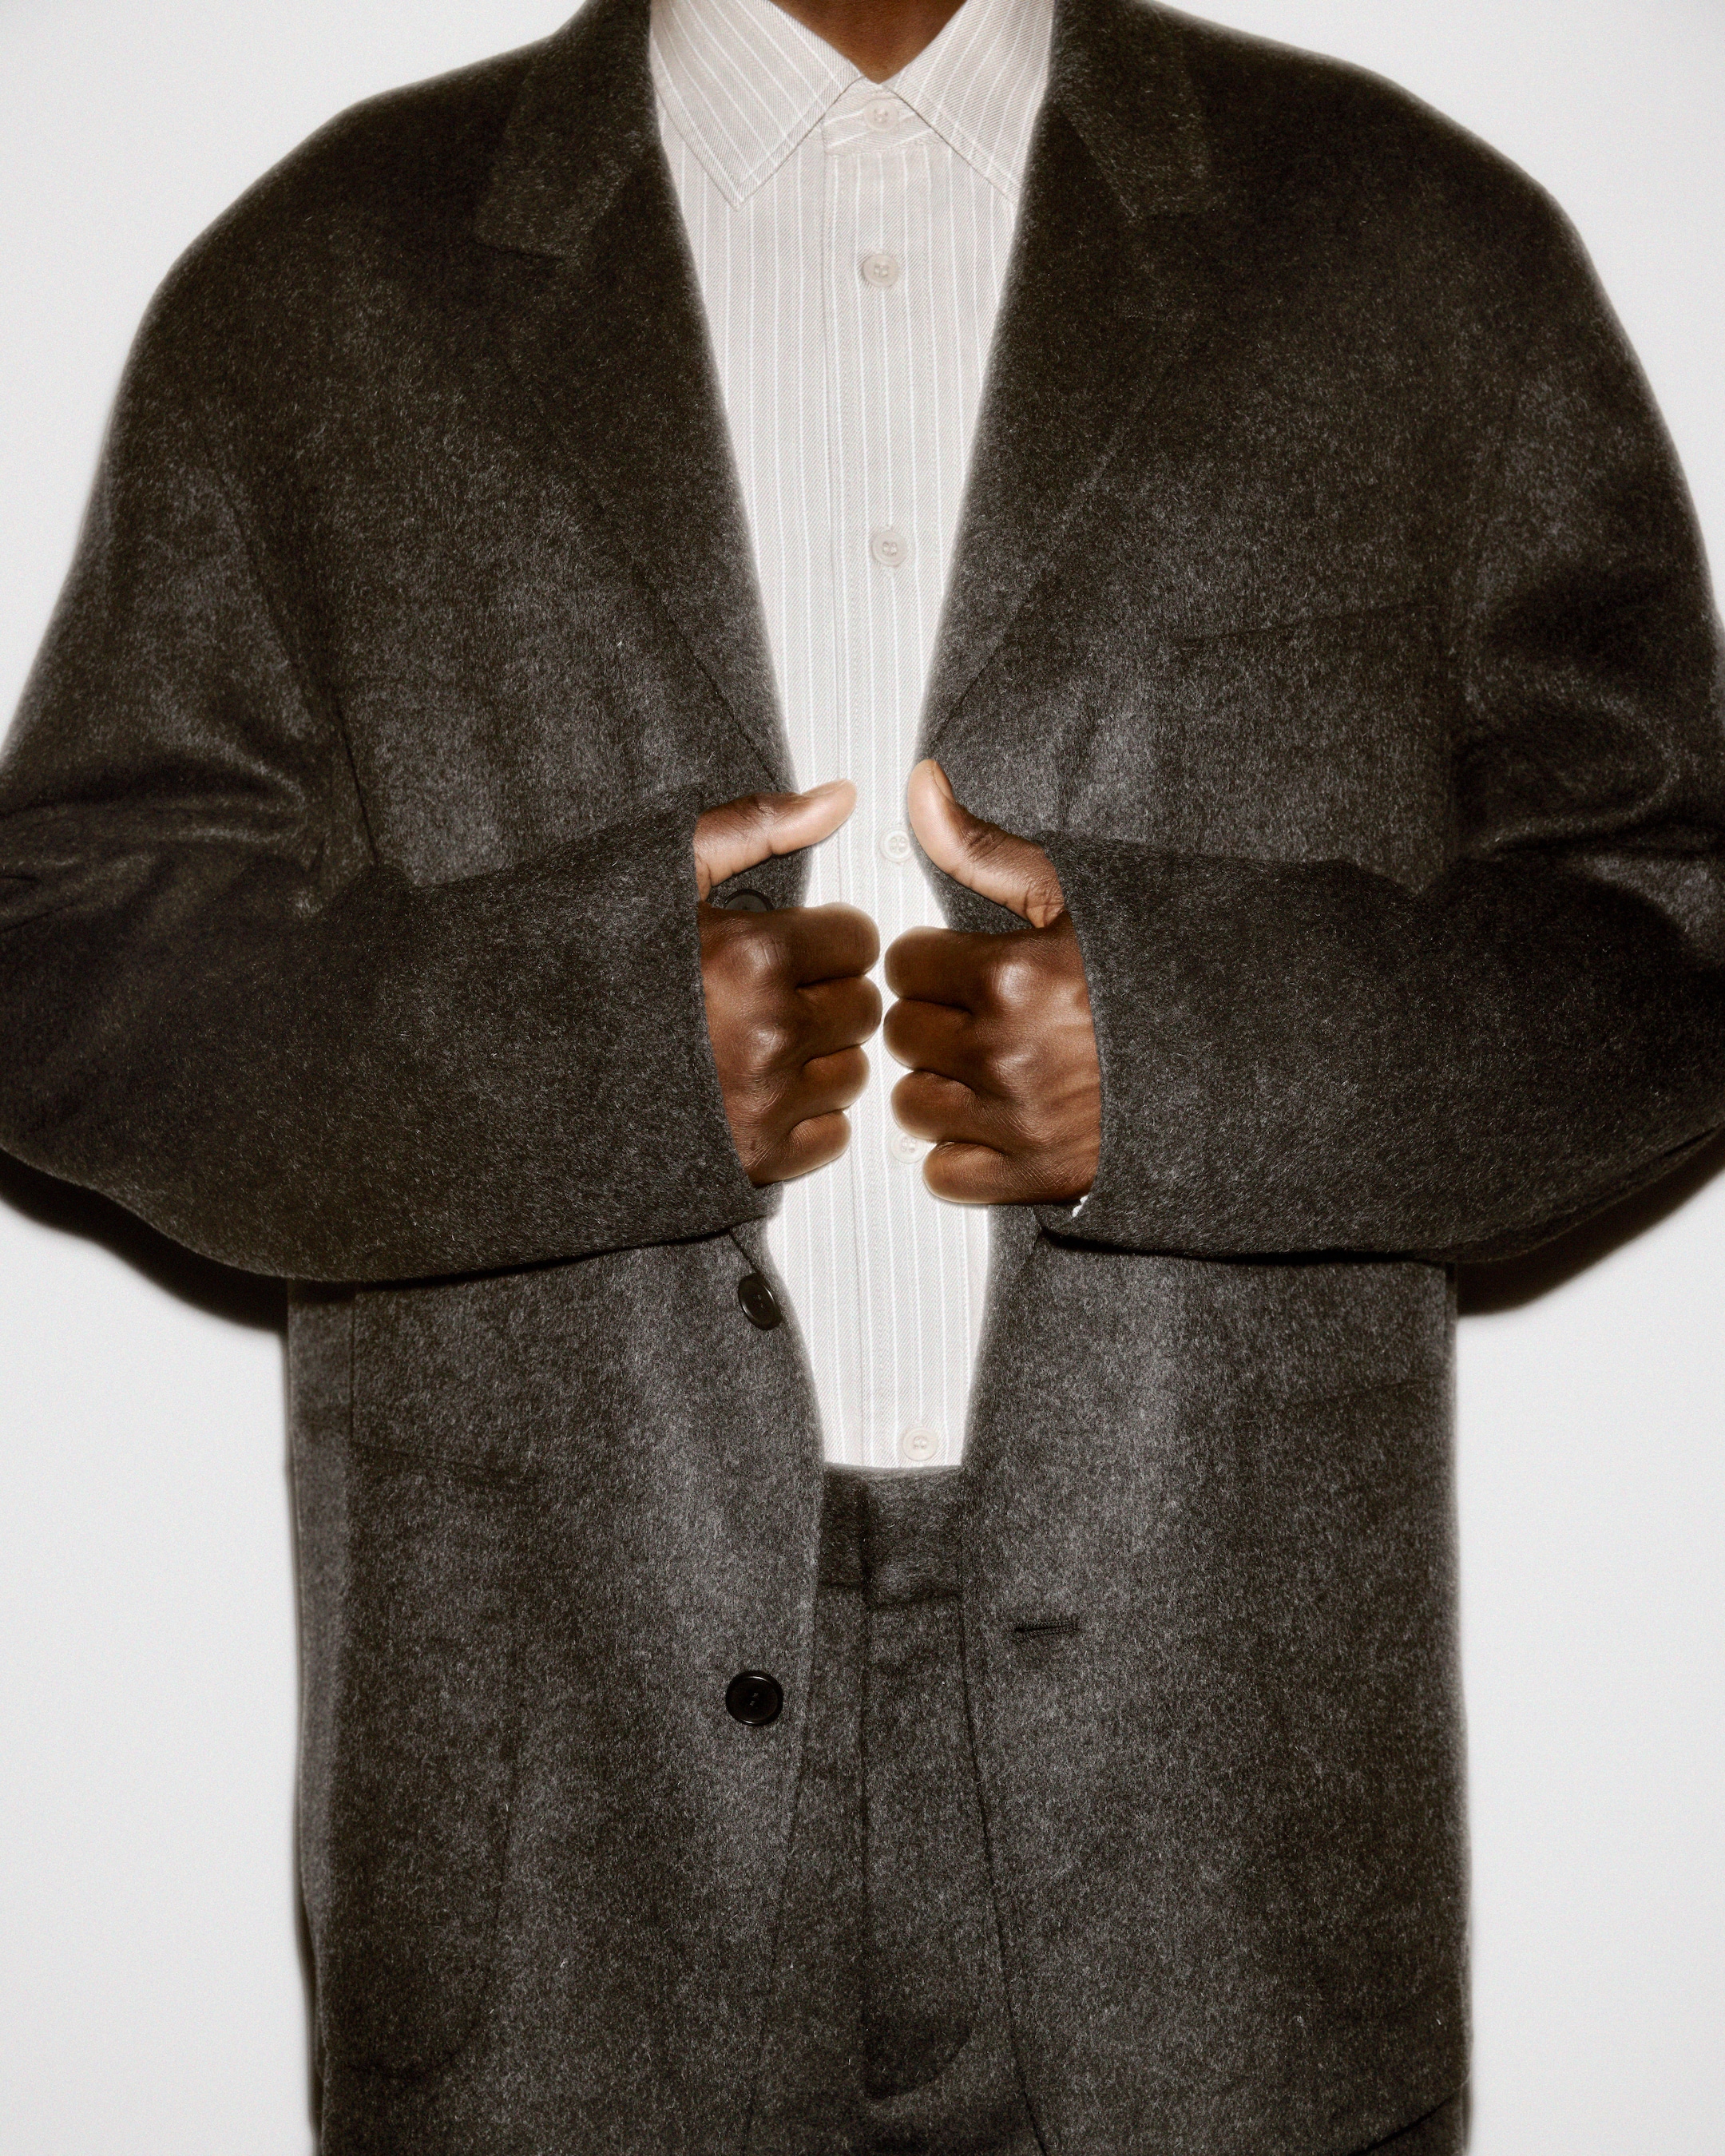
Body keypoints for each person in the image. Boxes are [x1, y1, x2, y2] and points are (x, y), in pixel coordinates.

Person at [2, 0, 1722, 2147]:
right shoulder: (330, 281)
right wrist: (580, 1049)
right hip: (555, 1822)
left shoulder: (1411, 249)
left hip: (1226, 1802)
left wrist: (1200, 1048)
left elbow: (1667, 926)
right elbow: (62, 962)